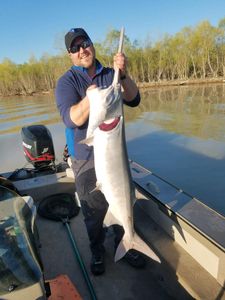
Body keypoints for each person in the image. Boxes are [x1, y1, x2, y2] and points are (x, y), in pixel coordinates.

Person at [55, 28, 145, 275]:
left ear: (92, 44)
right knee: (93, 212)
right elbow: (71, 118)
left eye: (85, 43)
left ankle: (126, 241)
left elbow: (134, 99)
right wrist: (90, 99)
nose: (82, 50)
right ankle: (97, 250)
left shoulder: (110, 73)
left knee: (122, 198)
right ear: (70, 54)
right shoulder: (66, 82)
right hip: (85, 158)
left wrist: (123, 75)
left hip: (114, 152)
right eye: (75, 48)